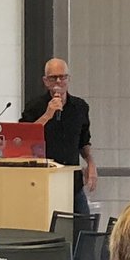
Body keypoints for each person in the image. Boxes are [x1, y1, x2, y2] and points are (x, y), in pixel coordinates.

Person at [22, 56, 95, 215]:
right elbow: (23, 139)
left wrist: (90, 163)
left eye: (63, 77)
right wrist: (48, 114)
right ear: (45, 81)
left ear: (69, 79)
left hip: (72, 183)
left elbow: (84, 141)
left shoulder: (80, 107)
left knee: (84, 228)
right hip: (43, 183)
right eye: (53, 78)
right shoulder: (34, 106)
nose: (58, 82)